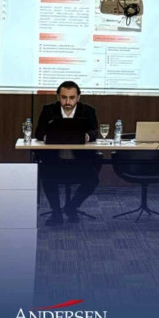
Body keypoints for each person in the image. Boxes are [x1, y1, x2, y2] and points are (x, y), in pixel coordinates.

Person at [35, 81, 100, 225]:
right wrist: (48, 137)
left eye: (72, 98)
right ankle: (56, 212)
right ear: (58, 97)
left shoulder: (88, 111)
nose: (68, 102)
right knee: (47, 176)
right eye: (64, 97)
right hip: (55, 161)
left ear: (78, 97)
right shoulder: (48, 110)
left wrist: (86, 137)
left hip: (79, 161)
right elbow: (39, 132)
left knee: (93, 180)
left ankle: (71, 206)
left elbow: (95, 132)